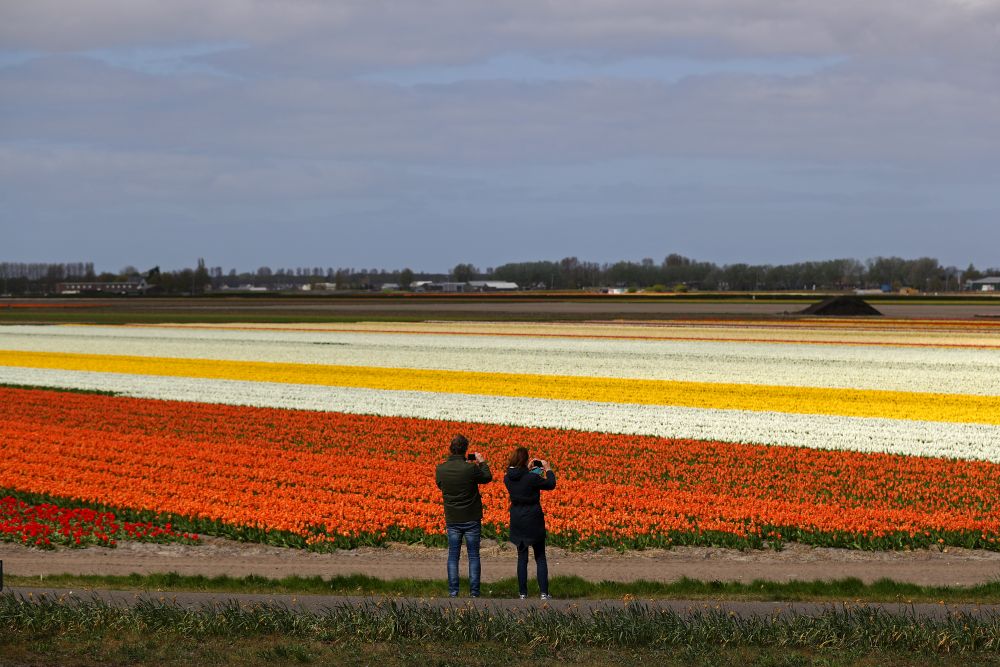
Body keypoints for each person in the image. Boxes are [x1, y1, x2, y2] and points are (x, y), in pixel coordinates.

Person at [435, 434, 492, 597]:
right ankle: (474, 592)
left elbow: (440, 485)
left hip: (452, 518)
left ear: (450, 449)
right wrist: (481, 462)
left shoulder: (441, 469)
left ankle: (453, 592)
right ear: (465, 450)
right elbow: (487, 477)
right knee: (474, 555)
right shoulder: (471, 468)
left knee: (453, 555)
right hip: (471, 517)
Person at [503, 446, 556, 600]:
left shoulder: (507, 478)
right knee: (540, 556)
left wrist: (527, 469)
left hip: (517, 520)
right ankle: (544, 593)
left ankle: (522, 593)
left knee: (522, 557)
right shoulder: (532, 478)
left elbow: (519, 477)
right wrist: (548, 469)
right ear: (525, 460)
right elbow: (551, 484)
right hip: (533, 519)